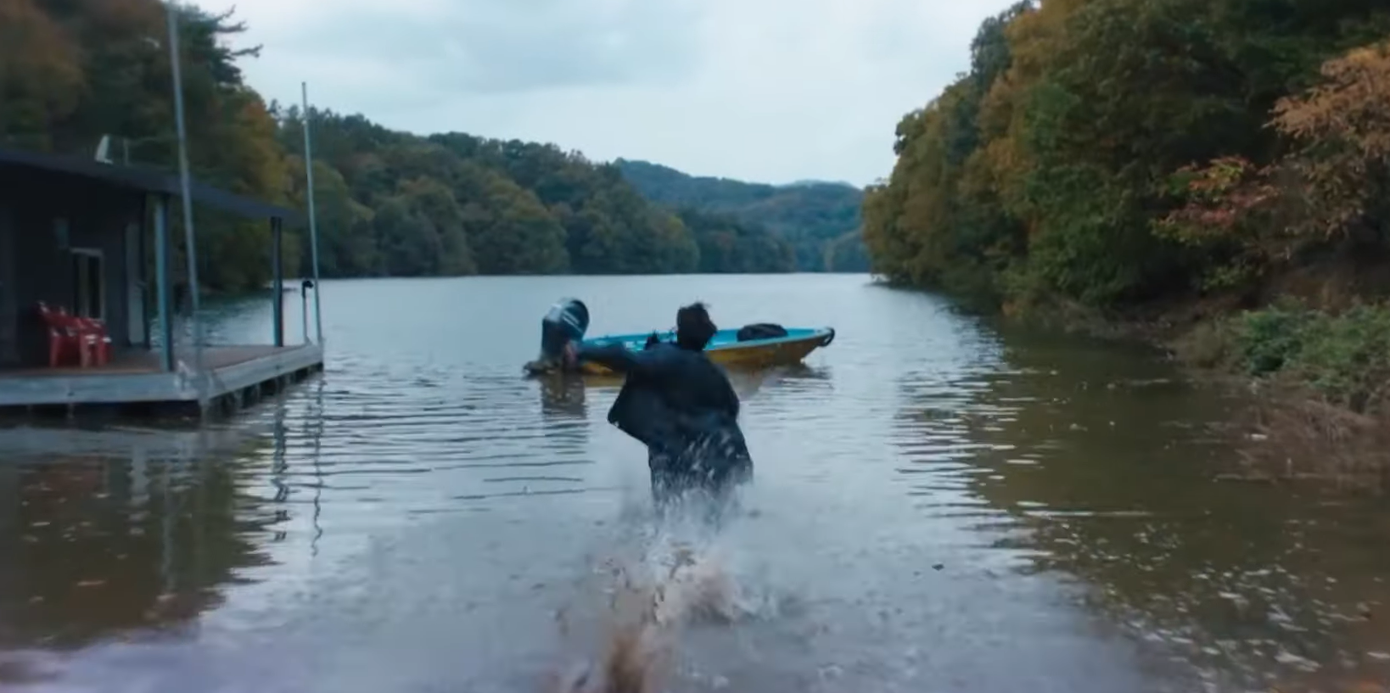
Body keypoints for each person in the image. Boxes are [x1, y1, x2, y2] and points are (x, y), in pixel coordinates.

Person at [563, 302, 752, 516]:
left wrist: (579, 349)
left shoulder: (668, 357)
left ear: (679, 330)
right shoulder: (715, 371)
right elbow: (733, 408)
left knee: (670, 517)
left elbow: (622, 356)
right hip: (730, 457)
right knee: (722, 520)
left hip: (684, 457)